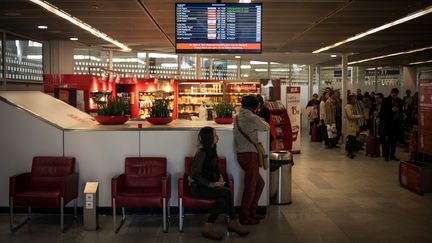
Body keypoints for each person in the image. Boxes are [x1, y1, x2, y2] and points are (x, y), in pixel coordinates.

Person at [190, 127, 249, 240]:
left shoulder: (212, 150)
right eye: (215, 135)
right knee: (227, 192)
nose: (218, 137)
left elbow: (214, 168)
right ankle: (233, 222)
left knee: (222, 200)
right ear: (209, 138)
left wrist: (220, 177)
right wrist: (212, 185)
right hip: (198, 188)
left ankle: (208, 226)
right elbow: (195, 175)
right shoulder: (201, 153)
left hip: (207, 186)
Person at [234, 95, 269, 225]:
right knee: (250, 187)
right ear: (255, 106)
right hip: (250, 155)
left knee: (259, 184)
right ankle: (244, 217)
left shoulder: (236, 117)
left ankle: (251, 212)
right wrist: (259, 116)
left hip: (241, 155)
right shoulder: (252, 117)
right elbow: (266, 127)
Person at [379, 88, 403, 161]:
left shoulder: (400, 101)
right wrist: (391, 110)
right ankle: (386, 155)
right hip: (388, 123)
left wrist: (398, 111)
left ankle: (392, 155)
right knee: (388, 140)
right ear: (391, 93)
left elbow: (402, 111)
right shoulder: (386, 100)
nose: (394, 96)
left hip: (397, 123)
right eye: (393, 94)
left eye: (396, 95)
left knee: (394, 141)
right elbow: (382, 112)